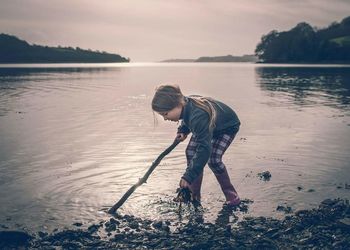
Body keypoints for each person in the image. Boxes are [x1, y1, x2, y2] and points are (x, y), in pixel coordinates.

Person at [152, 84, 241, 206]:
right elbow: (186, 117)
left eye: (166, 114)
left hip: (226, 127)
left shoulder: (198, 115)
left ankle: (231, 195)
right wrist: (183, 130)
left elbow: (204, 149)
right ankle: (195, 195)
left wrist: (188, 176)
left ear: (178, 105)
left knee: (213, 160)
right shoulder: (185, 104)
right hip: (207, 126)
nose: (165, 119)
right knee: (190, 152)